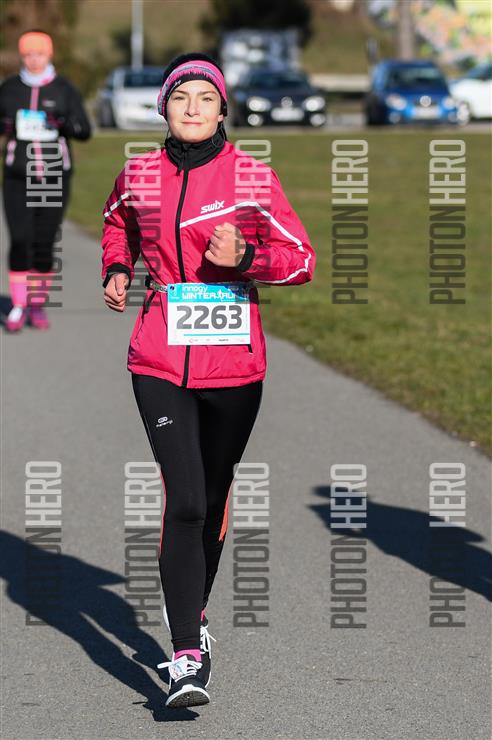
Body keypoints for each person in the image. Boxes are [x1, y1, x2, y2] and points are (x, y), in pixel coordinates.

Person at [101, 53, 316, 708]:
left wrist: (246, 257)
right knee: (187, 499)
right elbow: (117, 223)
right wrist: (117, 268)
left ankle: (192, 611)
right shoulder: (139, 173)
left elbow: (301, 260)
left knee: (215, 494)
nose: (192, 108)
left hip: (234, 366)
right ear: (163, 108)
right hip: (159, 358)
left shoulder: (251, 176)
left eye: (204, 98)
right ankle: (187, 656)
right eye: (180, 97)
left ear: (223, 109)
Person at [0, 30, 91, 332]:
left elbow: (84, 130)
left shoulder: (64, 89)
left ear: (49, 55)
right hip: (17, 175)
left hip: (53, 176)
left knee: (44, 242)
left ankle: (36, 304)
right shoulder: (10, 88)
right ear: (22, 56)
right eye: (28, 55)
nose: (34, 60)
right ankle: (18, 305)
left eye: (39, 54)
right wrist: (7, 125)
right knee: (20, 239)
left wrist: (62, 123)